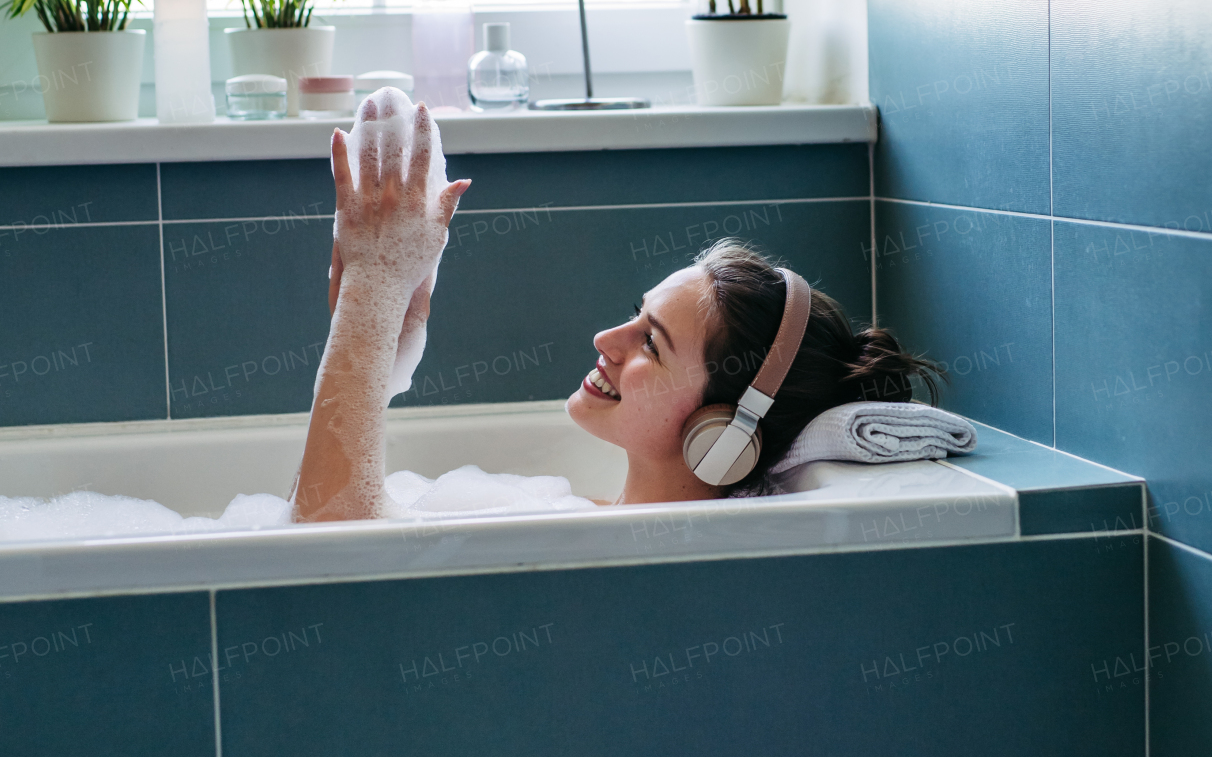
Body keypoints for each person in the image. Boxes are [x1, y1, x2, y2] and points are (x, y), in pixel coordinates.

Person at [291, 92, 939, 520]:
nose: (607, 337)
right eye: (637, 314)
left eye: (651, 344)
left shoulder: (603, 563)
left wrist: (369, 300)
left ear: (723, 438)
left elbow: (327, 552)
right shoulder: (570, 524)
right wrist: (376, 338)